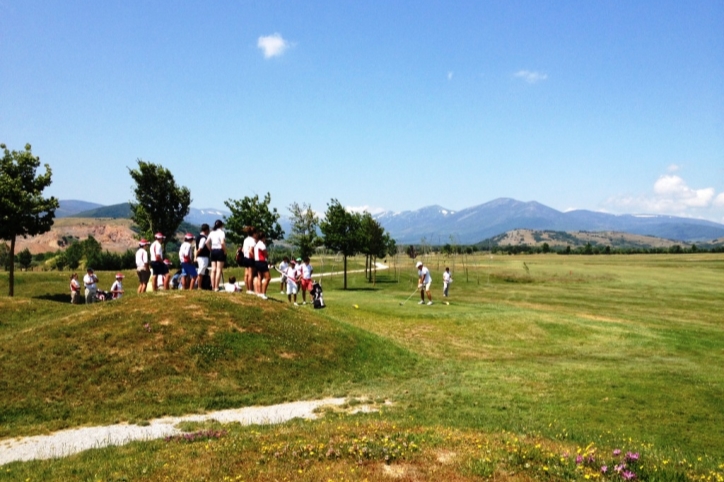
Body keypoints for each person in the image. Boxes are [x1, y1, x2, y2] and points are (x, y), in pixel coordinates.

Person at [206, 219, 227, 292]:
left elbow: (207, 242)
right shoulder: (222, 233)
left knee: (213, 269)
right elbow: (222, 243)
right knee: (218, 269)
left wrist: (210, 249)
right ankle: (216, 287)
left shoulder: (212, 232)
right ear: (221, 225)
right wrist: (225, 251)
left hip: (213, 250)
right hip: (220, 250)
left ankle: (212, 286)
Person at [254, 231, 270, 299]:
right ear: (263, 237)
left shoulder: (257, 244)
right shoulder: (262, 245)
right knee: (268, 278)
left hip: (257, 262)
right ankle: (263, 293)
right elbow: (266, 254)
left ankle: (259, 293)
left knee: (259, 277)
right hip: (262, 262)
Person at [242, 226, 257, 294]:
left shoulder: (245, 239)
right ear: (253, 233)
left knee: (246, 274)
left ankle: (247, 288)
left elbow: (242, 250)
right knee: (251, 274)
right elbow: (251, 251)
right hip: (250, 258)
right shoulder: (252, 240)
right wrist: (255, 258)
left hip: (245, 258)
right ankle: (250, 289)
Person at [195, 224, 211, 290]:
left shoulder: (198, 237)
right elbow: (200, 248)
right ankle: (199, 286)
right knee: (201, 272)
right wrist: (196, 255)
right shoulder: (203, 238)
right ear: (207, 230)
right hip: (202, 257)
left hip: (201, 257)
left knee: (201, 272)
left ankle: (200, 286)